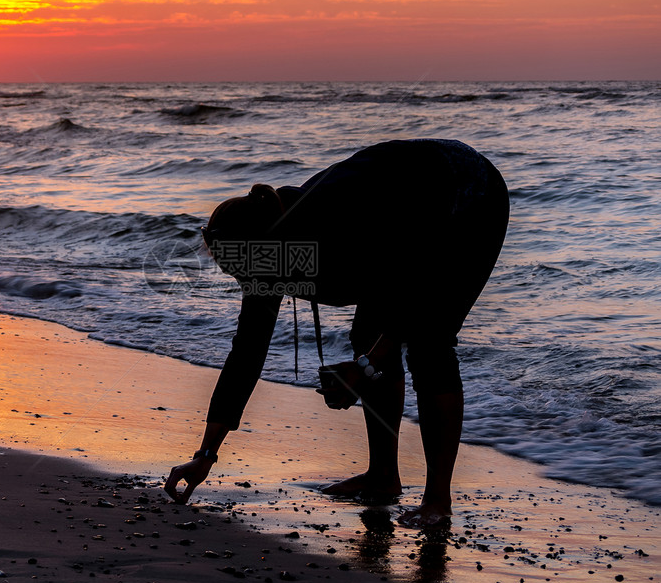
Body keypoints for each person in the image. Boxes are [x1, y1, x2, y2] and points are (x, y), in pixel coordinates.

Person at [164, 139, 509, 527]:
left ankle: (437, 501)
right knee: (367, 334)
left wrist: (364, 369)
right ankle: (382, 476)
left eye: (246, 266)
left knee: (430, 344)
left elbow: (412, 290)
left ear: (270, 242)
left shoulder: (336, 220)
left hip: (465, 197)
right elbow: (247, 351)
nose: (247, 278)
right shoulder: (267, 255)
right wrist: (205, 454)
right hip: (402, 217)